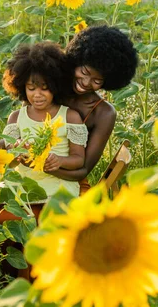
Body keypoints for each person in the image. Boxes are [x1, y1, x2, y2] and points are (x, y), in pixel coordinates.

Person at [0, 41, 88, 211]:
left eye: (45, 89)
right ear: (21, 87)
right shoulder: (16, 117)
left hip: (56, 188)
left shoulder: (69, 116)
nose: (37, 95)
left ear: (56, 87)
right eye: (31, 88)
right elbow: (8, 149)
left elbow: (78, 159)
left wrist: (59, 161)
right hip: (21, 186)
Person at [58, 25, 139, 191]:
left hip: (69, 185)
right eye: (85, 72)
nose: (86, 83)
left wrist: (44, 166)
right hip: (30, 173)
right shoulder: (51, 88)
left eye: (97, 81)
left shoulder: (103, 113)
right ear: (77, 60)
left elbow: (82, 171)